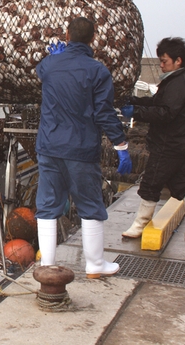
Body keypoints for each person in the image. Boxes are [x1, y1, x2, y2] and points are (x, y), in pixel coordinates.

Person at [35, 17, 132, 279]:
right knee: (89, 205)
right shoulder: (98, 71)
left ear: (67, 35)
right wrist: (120, 144)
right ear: (93, 38)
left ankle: (47, 265)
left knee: (47, 205)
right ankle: (95, 265)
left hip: (49, 147)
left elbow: (40, 71)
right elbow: (104, 113)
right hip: (80, 148)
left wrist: (55, 56)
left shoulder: (49, 65)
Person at [121, 37, 185, 242]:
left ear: (178, 61)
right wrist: (135, 101)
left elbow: (165, 113)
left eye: (164, 61)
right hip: (180, 146)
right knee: (183, 185)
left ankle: (139, 225)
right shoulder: (175, 80)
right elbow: (157, 102)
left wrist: (136, 112)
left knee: (150, 185)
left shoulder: (177, 83)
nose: (161, 65)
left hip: (167, 146)